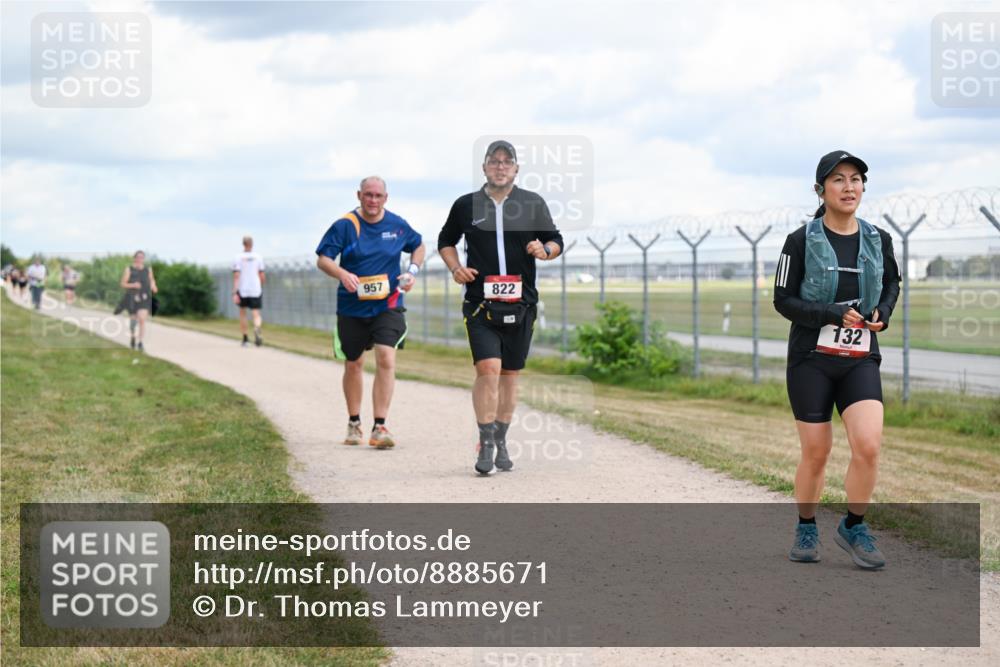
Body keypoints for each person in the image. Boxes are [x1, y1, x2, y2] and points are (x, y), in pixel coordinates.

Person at [773, 150, 900, 569]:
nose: (849, 187)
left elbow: (892, 284)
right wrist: (829, 312)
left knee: (868, 446)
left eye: (856, 179)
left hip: (860, 358)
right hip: (812, 358)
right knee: (817, 452)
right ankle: (806, 525)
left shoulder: (878, 239)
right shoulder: (800, 240)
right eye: (839, 180)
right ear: (821, 189)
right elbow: (783, 300)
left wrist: (882, 312)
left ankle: (853, 526)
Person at [438, 140, 564, 475]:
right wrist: (455, 269)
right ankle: (485, 441)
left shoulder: (531, 202)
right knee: (488, 370)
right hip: (481, 304)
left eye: (507, 161)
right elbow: (445, 241)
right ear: (484, 168)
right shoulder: (466, 205)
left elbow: (556, 239)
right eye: (494, 161)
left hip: (521, 304)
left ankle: (501, 437)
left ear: (516, 168)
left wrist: (545, 250)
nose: (500, 166)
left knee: (509, 375)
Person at [315, 176, 425, 449]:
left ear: (386, 198)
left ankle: (380, 426)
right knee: (354, 363)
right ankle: (354, 423)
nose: (373, 200)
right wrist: (342, 273)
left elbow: (419, 245)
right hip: (352, 306)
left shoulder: (397, 225)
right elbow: (323, 259)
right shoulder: (345, 226)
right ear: (359, 196)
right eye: (368, 195)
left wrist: (412, 272)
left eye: (378, 195)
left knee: (386, 357)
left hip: (387, 303)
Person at [119, 250, 158, 352]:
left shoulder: (148, 269)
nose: (140, 259)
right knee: (133, 322)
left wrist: (154, 286)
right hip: (132, 297)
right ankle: (132, 337)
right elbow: (123, 284)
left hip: (144, 298)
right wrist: (133, 285)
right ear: (135, 258)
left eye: (142, 257)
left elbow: (152, 280)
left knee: (142, 319)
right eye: (138, 257)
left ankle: (140, 342)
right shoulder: (129, 269)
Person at [232, 236, 266, 347]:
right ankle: (256, 328)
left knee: (243, 314)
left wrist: (235, 291)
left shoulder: (238, 257)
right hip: (255, 289)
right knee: (256, 314)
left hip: (243, 289)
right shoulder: (258, 257)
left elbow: (236, 275)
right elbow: (262, 275)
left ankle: (245, 339)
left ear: (243, 244)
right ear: (252, 244)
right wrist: (260, 285)